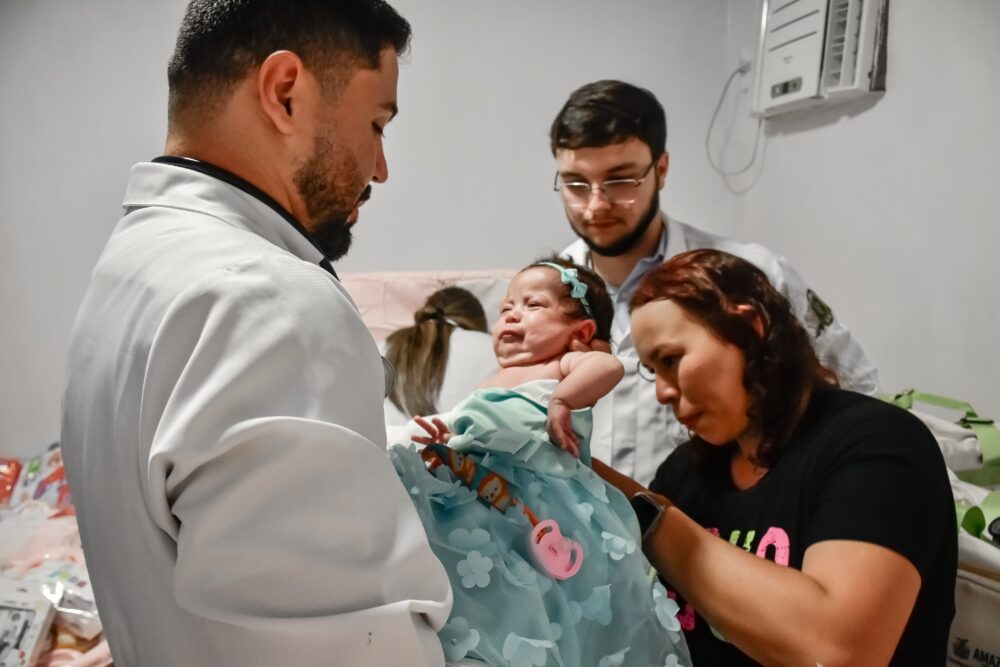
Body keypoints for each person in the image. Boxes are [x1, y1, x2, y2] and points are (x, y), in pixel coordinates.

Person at [59, 2, 453, 665]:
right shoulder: (268, 300)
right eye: (376, 124)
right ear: (285, 93)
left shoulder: (129, 265)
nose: (379, 167)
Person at [592, 249, 956, 666]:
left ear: (750, 326)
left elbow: (838, 651)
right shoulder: (684, 473)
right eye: (652, 370)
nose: (662, 392)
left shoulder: (877, 443)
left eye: (672, 360)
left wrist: (648, 516)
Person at [551, 79, 879, 485]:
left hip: (719, 528)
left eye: (621, 180)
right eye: (576, 184)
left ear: (662, 169)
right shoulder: (543, 291)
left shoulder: (754, 273)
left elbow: (856, 387)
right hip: (579, 531)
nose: (596, 204)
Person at [389, 258, 691, 666]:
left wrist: (563, 399)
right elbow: (472, 424)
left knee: (558, 606)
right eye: (505, 307)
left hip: (548, 503)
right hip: (488, 500)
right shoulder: (492, 379)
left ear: (579, 332)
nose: (512, 313)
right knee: (492, 591)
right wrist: (446, 436)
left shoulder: (561, 365)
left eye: (532, 305)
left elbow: (609, 365)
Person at [382, 286, 496, 426]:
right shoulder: (495, 348)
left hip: (381, 444)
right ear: (479, 321)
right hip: (462, 444)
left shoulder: (380, 347)